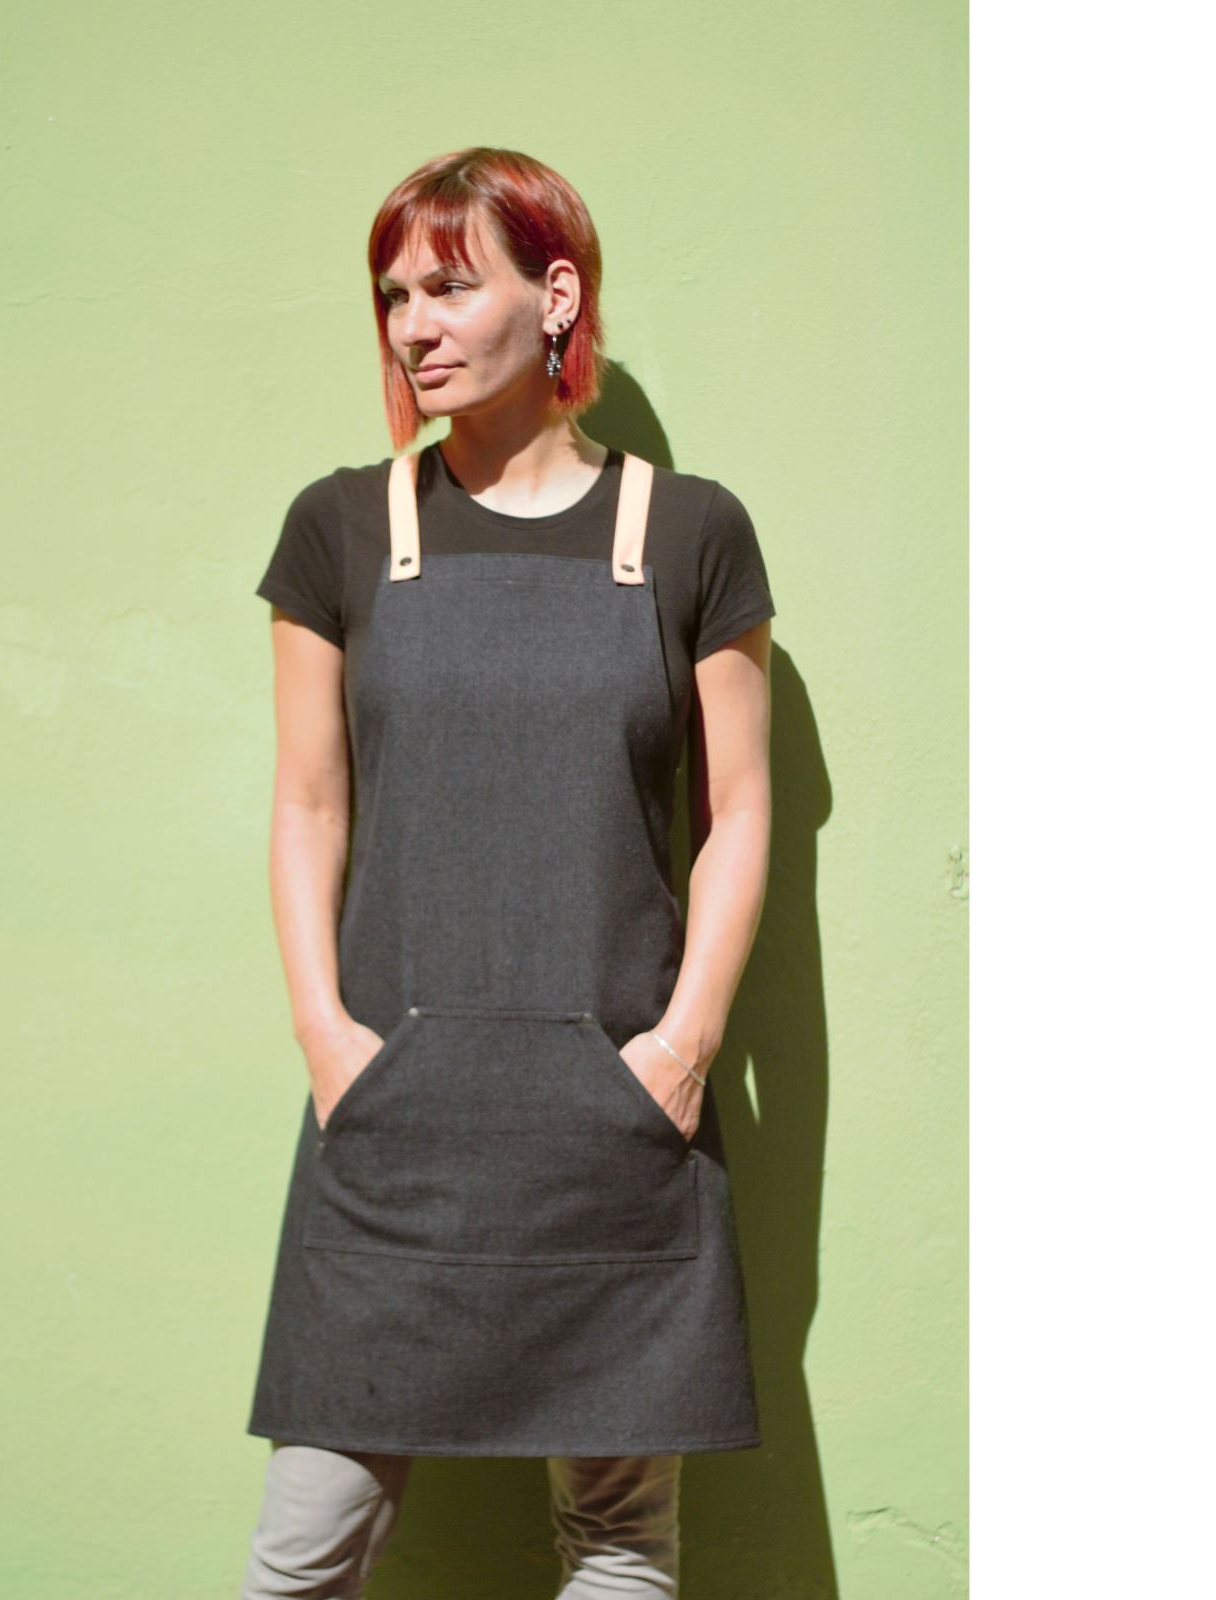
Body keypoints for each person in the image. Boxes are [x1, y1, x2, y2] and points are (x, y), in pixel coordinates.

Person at [241, 147, 774, 1600]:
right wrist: (328, 1041)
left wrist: (683, 1049)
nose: (410, 325)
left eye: (447, 286)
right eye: (392, 294)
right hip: (394, 1118)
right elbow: (306, 805)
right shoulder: (342, 529)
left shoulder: (691, 533)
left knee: (620, 1546)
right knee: (304, 1554)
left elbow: (740, 811)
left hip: (616, 1116)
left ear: (556, 297)